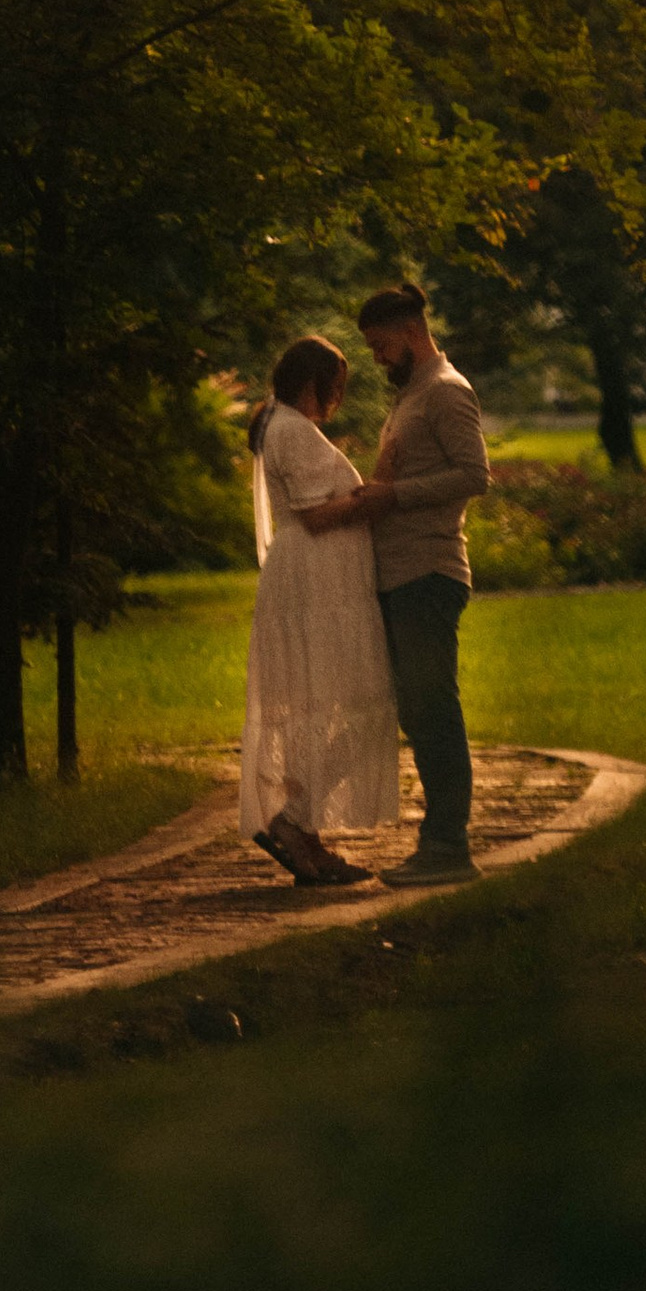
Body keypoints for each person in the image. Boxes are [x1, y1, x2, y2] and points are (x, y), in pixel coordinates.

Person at [331, 279, 491, 887]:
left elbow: (474, 475)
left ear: (409, 333)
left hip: (430, 570)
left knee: (433, 707)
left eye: (379, 346)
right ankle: (439, 842)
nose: (375, 358)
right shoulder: (411, 396)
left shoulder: (447, 393)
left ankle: (448, 846)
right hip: (399, 573)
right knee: (419, 712)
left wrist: (392, 496)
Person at [239, 336, 400, 886]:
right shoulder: (292, 430)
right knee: (351, 705)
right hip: (316, 584)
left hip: (319, 583)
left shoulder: (285, 426)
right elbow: (313, 514)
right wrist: (372, 497)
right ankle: (295, 823)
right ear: (315, 383)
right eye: (335, 387)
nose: (337, 398)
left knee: (337, 706)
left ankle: (302, 829)